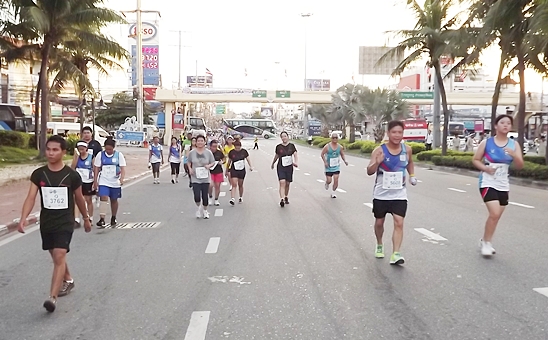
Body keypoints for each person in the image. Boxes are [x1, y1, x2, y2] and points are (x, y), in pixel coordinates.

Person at [18, 135, 92, 313]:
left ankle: (52, 297)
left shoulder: (71, 176)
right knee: (56, 255)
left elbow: (80, 199)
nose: (50, 153)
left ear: (63, 152)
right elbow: (31, 197)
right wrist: (23, 218)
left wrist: (86, 218)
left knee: (59, 254)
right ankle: (68, 280)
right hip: (47, 222)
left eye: (55, 150)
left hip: (65, 221)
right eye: (48, 149)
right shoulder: (39, 174)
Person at [366, 120, 418, 265]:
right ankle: (379, 243)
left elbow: (410, 163)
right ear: (388, 133)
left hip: (399, 194)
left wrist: (412, 175)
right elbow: (369, 171)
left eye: (400, 132)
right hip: (381, 194)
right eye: (394, 132)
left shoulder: (407, 149)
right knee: (379, 222)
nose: (397, 135)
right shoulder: (379, 150)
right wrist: (377, 162)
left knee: (399, 222)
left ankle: (396, 253)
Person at [472, 114, 524, 256]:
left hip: (503, 183)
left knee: (496, 217)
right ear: (496, 126)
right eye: (502, 122)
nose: (506, 125)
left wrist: (514, 155)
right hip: (488, 181)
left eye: (508, 123)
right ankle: (487, 244)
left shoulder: (514, 145)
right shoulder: (487, 143)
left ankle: (485, 240)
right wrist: (486, 169)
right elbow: (476, 160)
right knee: (494, 213)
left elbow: (520, 165)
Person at [93, 137, 126, 227]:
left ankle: (113, 217)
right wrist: (95, 181)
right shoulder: (100, 155)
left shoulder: (119, 155)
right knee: (103, 197)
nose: (108, 151)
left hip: (115, 181)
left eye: (110, 149)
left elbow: (123, 168)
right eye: (107, 149)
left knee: (114, 200)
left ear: (113, 148)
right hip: (104, 180)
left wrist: (121, 179)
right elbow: (96, 168)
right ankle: (102, 218)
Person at [187, 135, 216, 219]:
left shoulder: (208, 152)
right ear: (196, 142)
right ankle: (199, 208)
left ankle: (205, 211)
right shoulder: (192, 152)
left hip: (205, 177)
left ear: (204, 142)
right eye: (198, 141)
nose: (200, 142)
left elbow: (213, 162)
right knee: (196, 195)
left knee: (205, 196)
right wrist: (190, 169)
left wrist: (209, 166)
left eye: (201, 141)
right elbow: (188, 162)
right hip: (195, 177)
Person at [270, 131, 298, 207]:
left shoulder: (291, 146)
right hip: (281, 167)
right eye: (282, 136)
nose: (284, 138)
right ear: (281, 138)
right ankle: (281, 199)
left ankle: (286, 196)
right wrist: (273, 163)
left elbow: (295, 154)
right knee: (282, 182)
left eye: (285, 136)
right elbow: (276, 156)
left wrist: (296, 162)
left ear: (288, 137)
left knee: (288, 183)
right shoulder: (278, 147)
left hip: (289, 167)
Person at [70, 141, 95, 224]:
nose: (81, 151)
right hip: (78, 181)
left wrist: (95, 181)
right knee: (77, 199)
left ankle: (90, 217)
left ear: (86, 149)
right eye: (79, 149)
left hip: (88, 181)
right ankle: (77, 219)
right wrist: (75, 157)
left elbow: (95, 169)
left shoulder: (91, 157)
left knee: (88, 200)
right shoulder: (77, 157)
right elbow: (72, 168)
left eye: (83, 149)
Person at [321, 131, 349, 198]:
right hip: (329, 166)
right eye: (333, 138)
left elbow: (342, 154)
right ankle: (327, 183)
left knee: (336, 179)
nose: (335, 139)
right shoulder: (327, 146)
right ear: (331, 138)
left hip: (336, 166)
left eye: (336, 138)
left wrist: (345, 161)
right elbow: (322, 154)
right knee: (329, 180)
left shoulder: (340, 147)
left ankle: (333, 192)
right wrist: (325, 162)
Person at [226, 140, 253, 205]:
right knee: (234, 184)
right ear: (234, 146)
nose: (237, 149)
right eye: (236, 147)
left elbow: (248, 159)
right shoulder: (231, 152)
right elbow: (229, 161)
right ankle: (232, 198)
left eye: (238, 147)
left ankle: (240, 196)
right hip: (234, 170)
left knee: (240, 184)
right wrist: (226, 170)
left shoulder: (244, 151)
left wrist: (251, 166)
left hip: (241, 170)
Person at [209, 140, 226, 206]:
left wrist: (222, 162)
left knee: (217, 186)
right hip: (210, 171)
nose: (214, 148)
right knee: (210, 185)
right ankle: (210, 197)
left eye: (216, 146)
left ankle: (216, 199)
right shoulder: (208, 153)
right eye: (213, 146)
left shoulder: (219, 152)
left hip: (218, 171)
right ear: (210, 146)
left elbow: (224, 158)